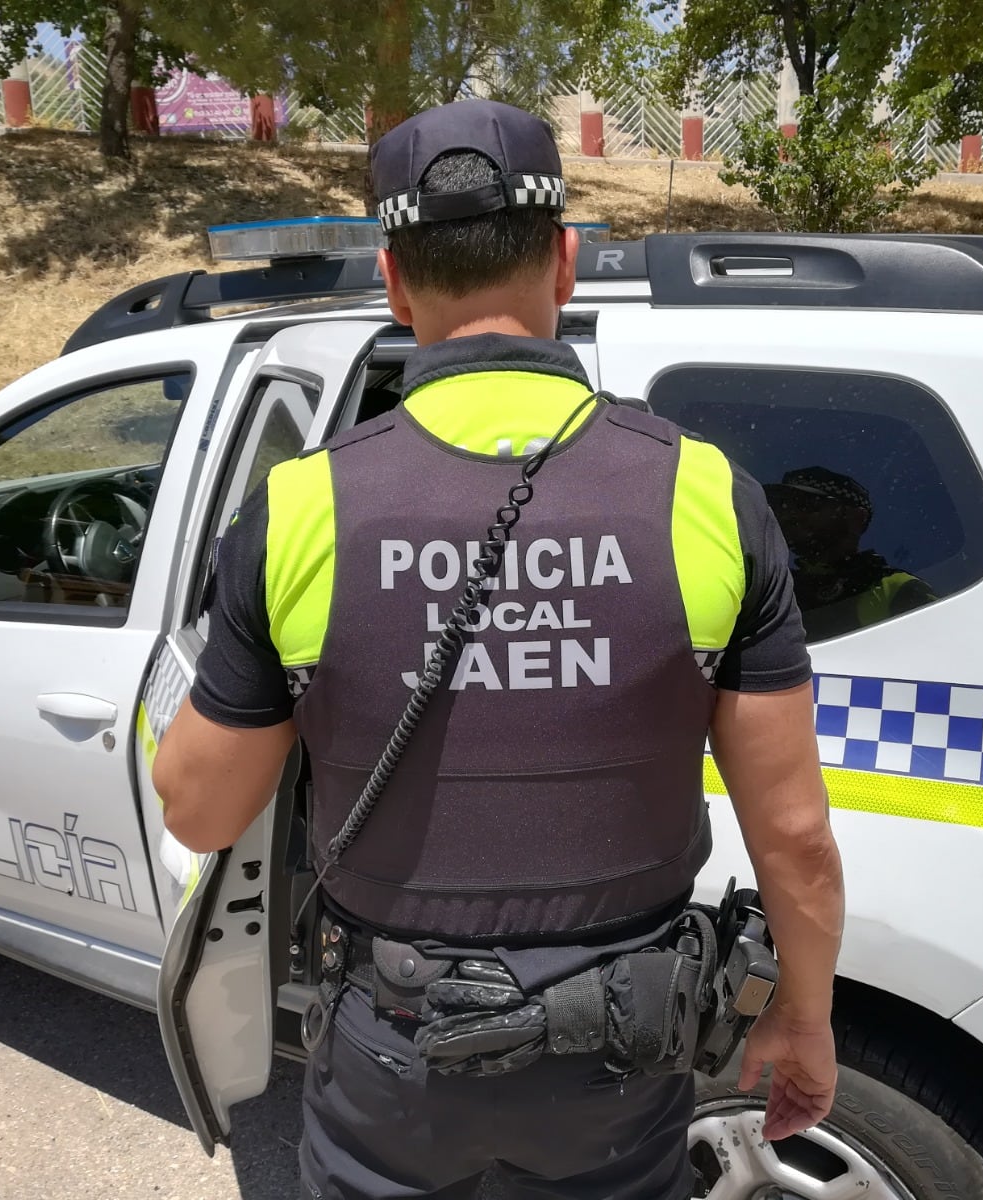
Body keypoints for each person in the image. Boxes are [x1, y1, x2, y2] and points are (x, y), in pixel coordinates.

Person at [154, 98, 844, 1200]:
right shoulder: (704, 493)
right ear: (566, 263)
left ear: (392, 279)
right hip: (623, 1055)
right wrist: (802, 1021)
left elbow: (196, 811)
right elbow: (796, 839)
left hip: (395, 1053)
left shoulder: (299, 511)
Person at [763, 466, 936, 642]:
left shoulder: (898, 590)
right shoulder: (769, 586)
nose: (792, 515)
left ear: (857, 518)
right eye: (783, 506)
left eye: (808, 504)